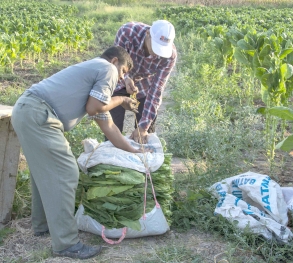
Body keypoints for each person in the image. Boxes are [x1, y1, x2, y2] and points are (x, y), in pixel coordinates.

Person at [11, 46, 148, 259]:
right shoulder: (107, 69)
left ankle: (43, 225)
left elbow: (108, 126)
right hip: (39, 113)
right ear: (114, 61)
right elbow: (95, 108)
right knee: (66, 173)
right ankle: (66, 244)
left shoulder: (93, 74)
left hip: (27, 110)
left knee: (44, 172)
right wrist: (121, 100)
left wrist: (135, 150)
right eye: (123, 72)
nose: (121, 79)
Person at [110, 20, 177, 144]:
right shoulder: (127, 33)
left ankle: (142, 160)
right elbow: (115, 65)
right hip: (119, 81)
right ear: (147, 34)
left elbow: (156, 90)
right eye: (156, 46)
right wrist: (125, 78)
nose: (157, 53)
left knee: (145, 135)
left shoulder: (170, 56)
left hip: (144, 85)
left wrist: (143, 127)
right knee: (113, 131)